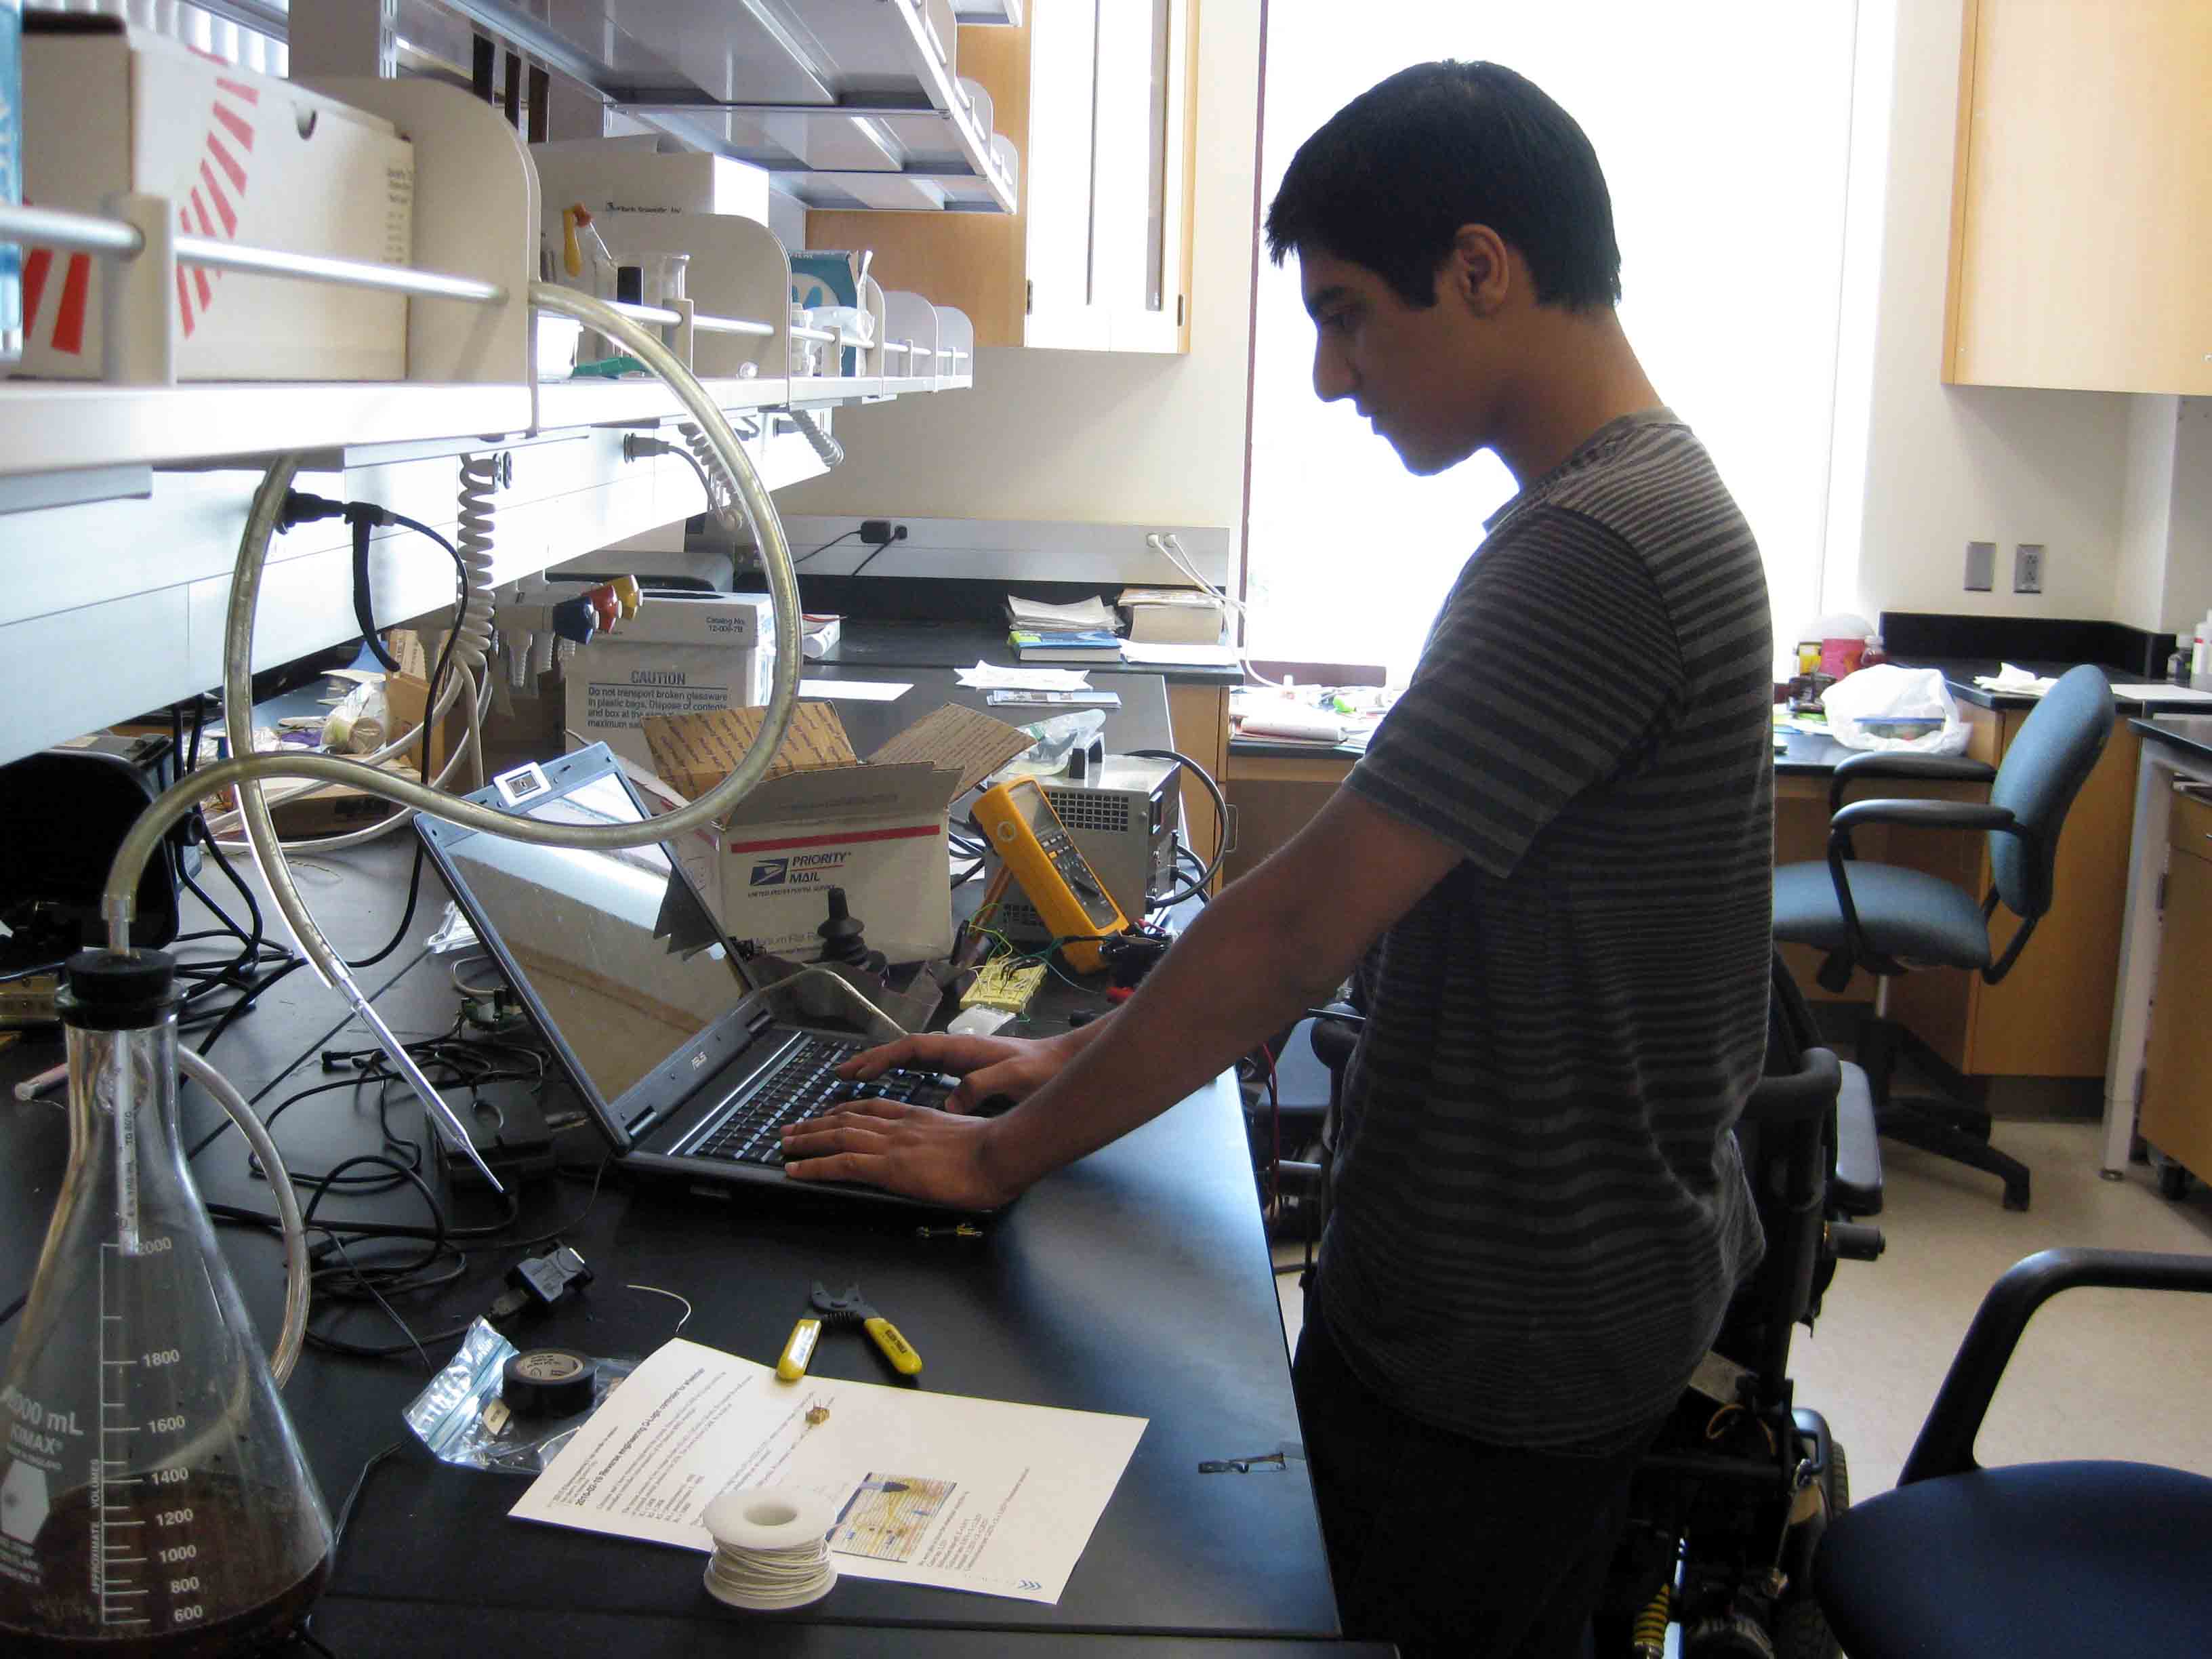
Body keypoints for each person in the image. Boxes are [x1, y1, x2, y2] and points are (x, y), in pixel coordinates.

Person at [781, 60, 1774, 1659]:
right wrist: (1068, 1061)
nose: (1326, 375)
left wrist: (994, 1158)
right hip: (1556, 1293)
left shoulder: (1598, 547)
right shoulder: (1644, 506)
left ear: (1481, 268)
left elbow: (1299, 931)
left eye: (1349, 315)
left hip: (1506, 1334)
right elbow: (1358, 921)